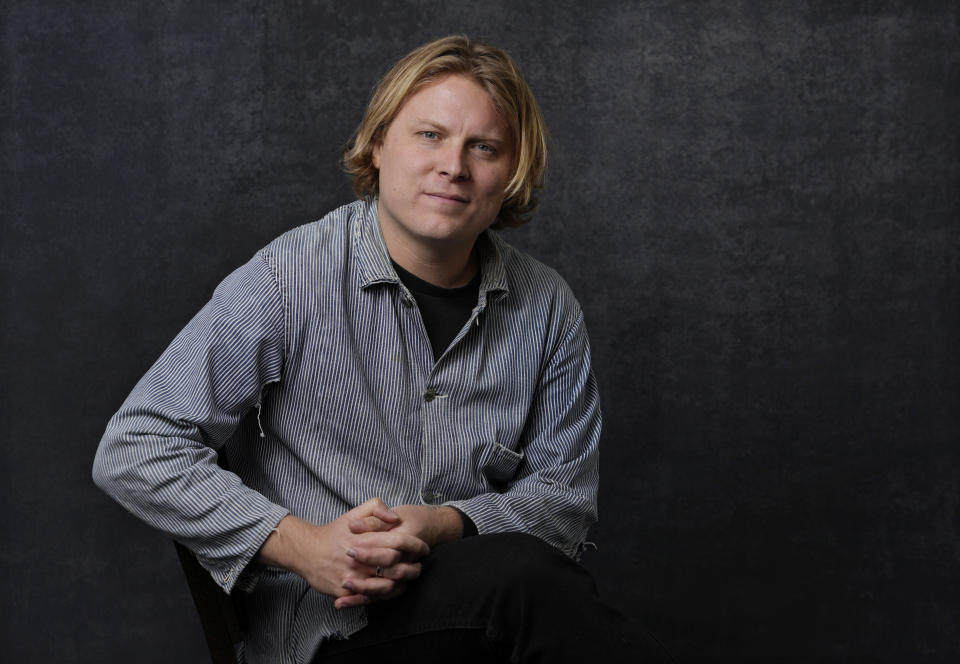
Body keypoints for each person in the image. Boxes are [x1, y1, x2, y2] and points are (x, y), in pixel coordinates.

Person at [93, 35, 665, 663]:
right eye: (429, 135)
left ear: (512, 174)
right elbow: (134, 445)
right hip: (328, 634)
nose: (454, 166)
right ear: (377, 144)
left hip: (483, 620)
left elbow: (566, 503)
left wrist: (445, 523)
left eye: (484, 147)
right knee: (526, 584)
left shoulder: (548, 308)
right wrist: (300, 545)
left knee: (524, 579)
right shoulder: (288, 277)